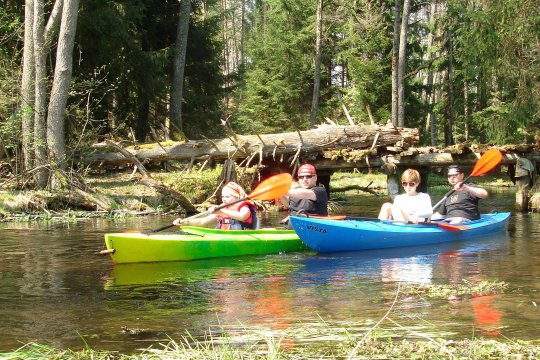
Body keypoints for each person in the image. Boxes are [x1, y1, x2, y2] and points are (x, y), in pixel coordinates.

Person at [173, 182, 258, 230]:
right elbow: (203, 221)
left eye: (227, 197)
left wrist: (222, 211)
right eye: (223, 197)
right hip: (223, 237)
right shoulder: (222, 208)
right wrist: (185, 222)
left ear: (236, 197)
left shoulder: (243, 206)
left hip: (242, 236)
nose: (224, 199)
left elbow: (243, 216)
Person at [280, 163, 328, 228]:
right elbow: (288, 205)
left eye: (308, 176)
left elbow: (305, 193)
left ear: (315, 177)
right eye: (301, 177)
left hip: (314, 229)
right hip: (292, 229)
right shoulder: (295, 191)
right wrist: (279, 194)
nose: (304, 179)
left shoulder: (320, 191)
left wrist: (283, 191)